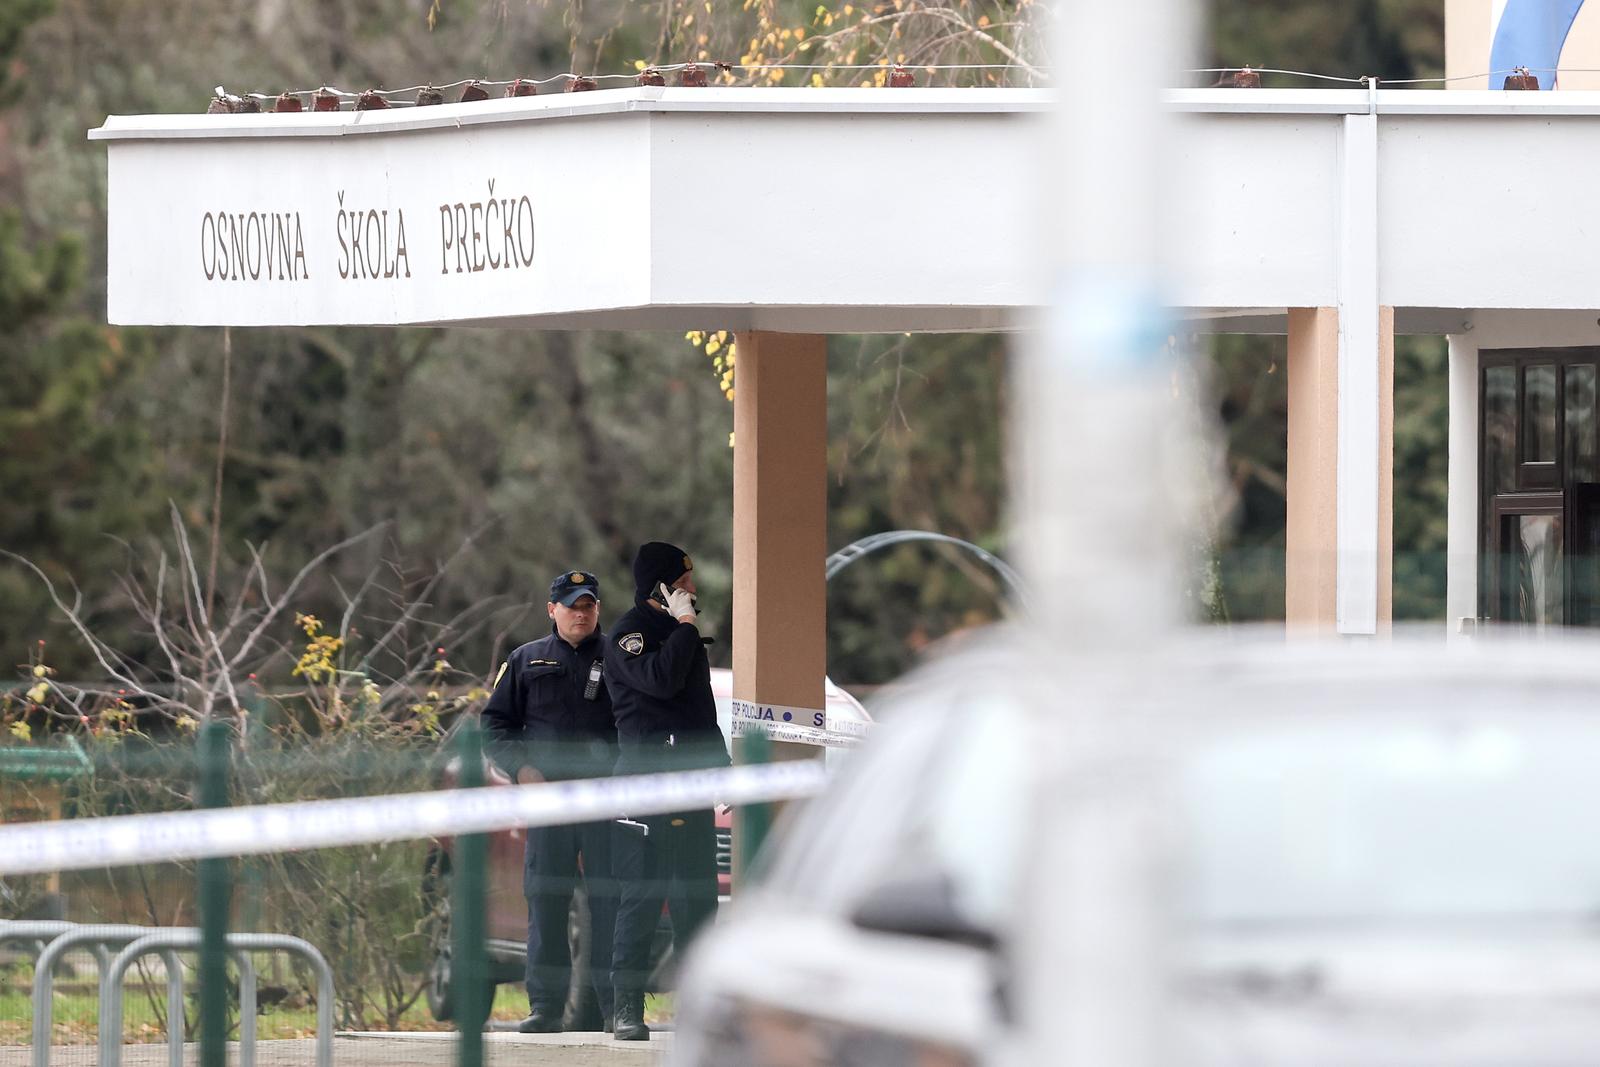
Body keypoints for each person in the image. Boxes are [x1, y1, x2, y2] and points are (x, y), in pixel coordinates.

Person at [481, 570, 618, 1034]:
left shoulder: (620, 658)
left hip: (606, 802)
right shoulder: (525, 660)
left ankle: (609, 1008)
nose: (581, 614)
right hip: (548, 803)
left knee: (608, 904)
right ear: (552, 609)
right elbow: (495, 726)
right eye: (572, 605)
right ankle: (545, 1007)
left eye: (589, 605)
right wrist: (522, 770)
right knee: (547, 901)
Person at [604, 541, 730, 1041]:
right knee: (641, 897)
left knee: (697, 901)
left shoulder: (686, 633)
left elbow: (700, 709)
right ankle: (627, 1008)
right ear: (660, 586)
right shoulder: (628, 636)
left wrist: (720, 769)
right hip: (645, 787)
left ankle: (698, 1007)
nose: (692, 591)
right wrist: (683, 628)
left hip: (691, 785)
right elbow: (660, 681)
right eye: (683, 582)